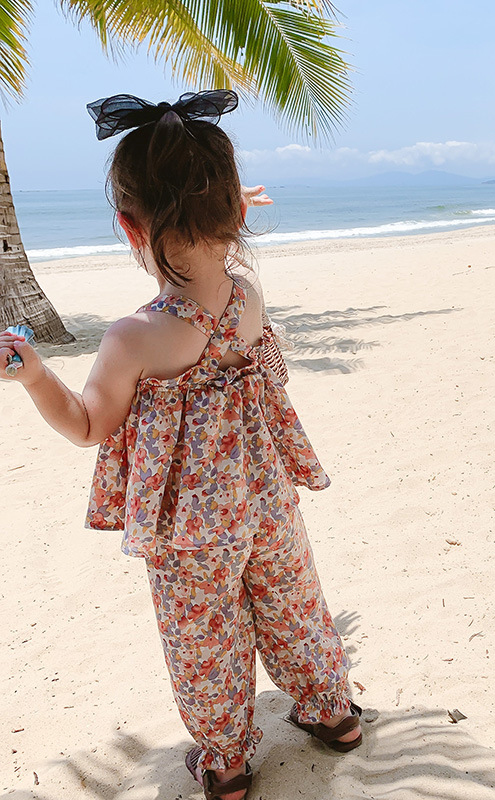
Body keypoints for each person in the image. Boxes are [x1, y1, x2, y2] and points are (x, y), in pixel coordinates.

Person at [0, 90, 361, 800]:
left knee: (205, 639)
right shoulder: (247, 295)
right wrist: (218, 218)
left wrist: (34, 373)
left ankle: (227, 764)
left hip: (189, 529)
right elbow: (216, 271)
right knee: (292, 600)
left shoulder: (135, 337)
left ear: (127, 225)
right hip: (265, 497)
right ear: (231, 212)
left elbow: (87, 425)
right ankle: (333, 713)